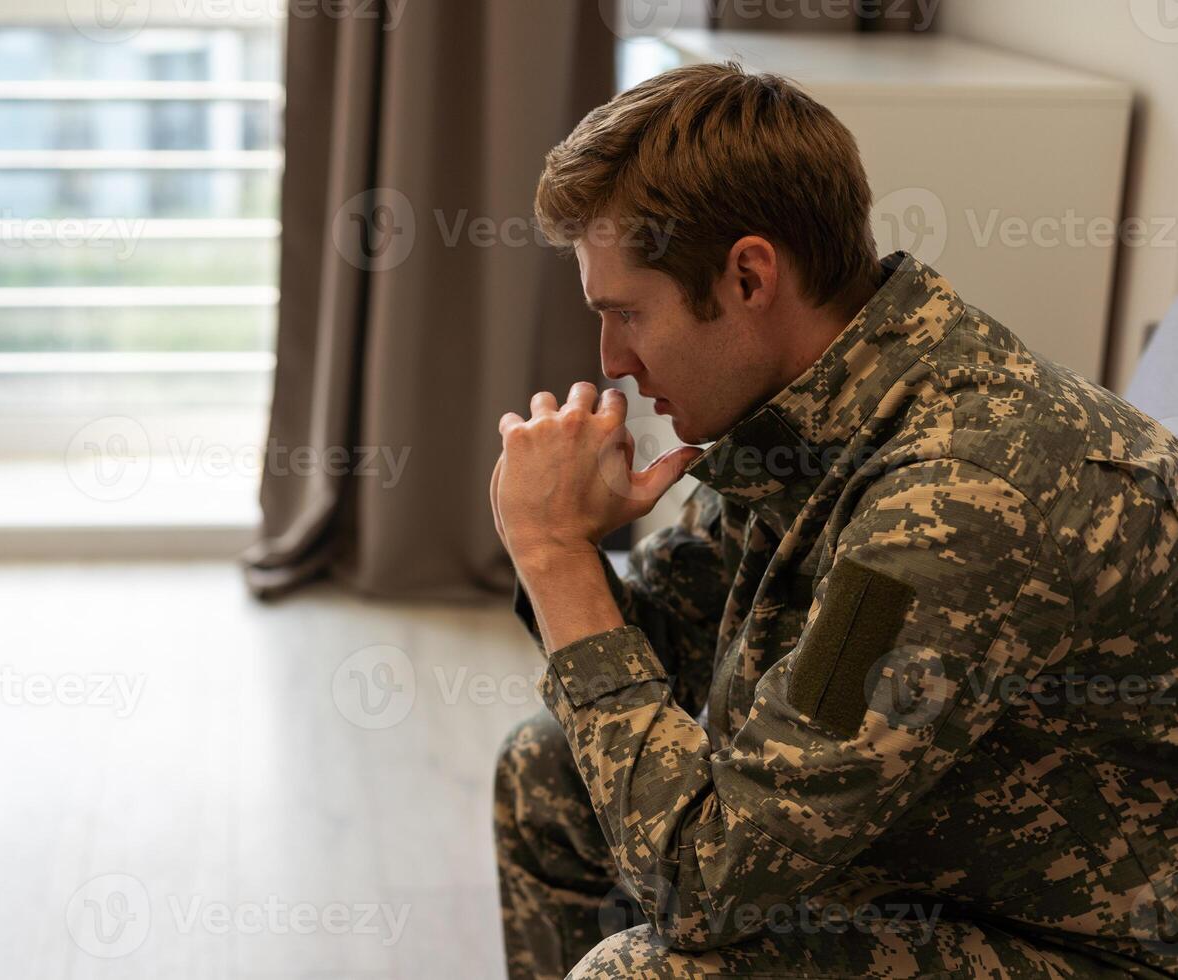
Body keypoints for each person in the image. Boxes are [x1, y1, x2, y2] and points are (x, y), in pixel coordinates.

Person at [489, 61, 1178, 979]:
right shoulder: (819, 407)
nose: (611, 359)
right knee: (546, 776)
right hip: (928, 852)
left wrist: (556, 555)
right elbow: (657, 648)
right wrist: (565, 545)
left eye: (628, 314)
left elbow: (700, 883)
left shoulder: (957, 496)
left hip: (1087, 943)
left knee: (644, 974)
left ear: (748, 276)